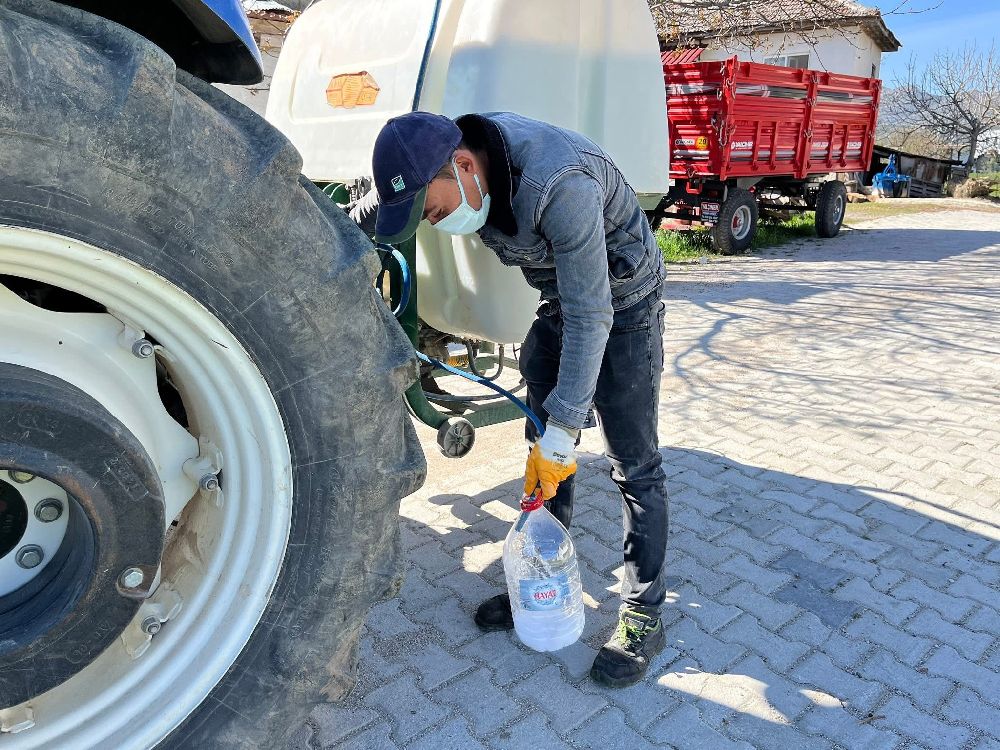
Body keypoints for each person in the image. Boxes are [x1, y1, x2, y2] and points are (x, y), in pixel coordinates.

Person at [371, 111, 668, 687]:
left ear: (461, 166)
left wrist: (568, 421)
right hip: (565, 302)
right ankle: (541, 577)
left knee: (633, 464)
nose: (434, 223)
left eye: (431, 211)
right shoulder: (457, 170)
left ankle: (643, 613)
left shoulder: (561, 186)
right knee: (542, 453)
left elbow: (594, 312)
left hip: (624, 307)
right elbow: (370, 207)